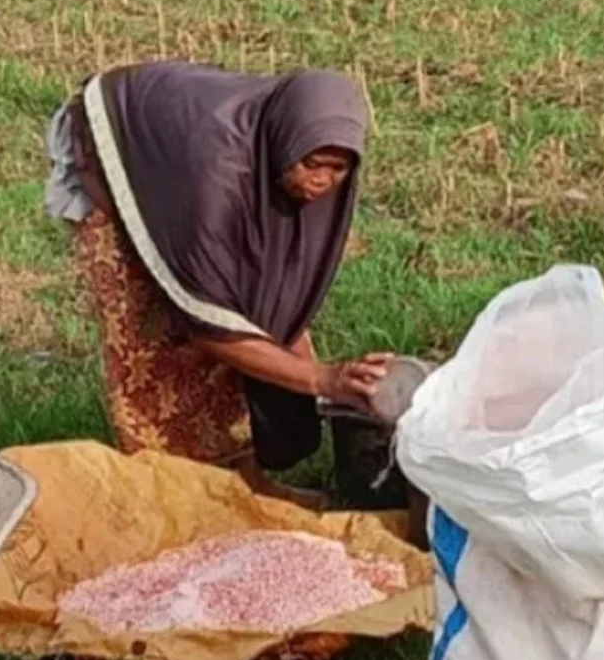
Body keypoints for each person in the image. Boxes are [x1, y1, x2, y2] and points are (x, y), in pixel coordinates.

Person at [45, 60, 389, 506]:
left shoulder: (296, 157)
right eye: (313, 165)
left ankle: (246, 485)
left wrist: (311, 366)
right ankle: (173, 494)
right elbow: (209, 325)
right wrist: (321, 379)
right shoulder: (217, 181)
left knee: (243, 328)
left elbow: (273, 297)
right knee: (152, 341)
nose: (321, 181)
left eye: (337, 169)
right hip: (120, 150)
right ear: (288, 143)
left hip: (191, 158)